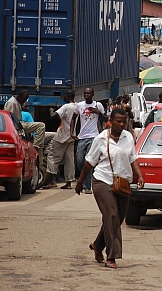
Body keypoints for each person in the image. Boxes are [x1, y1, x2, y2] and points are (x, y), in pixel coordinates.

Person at [76, 108, 144, 269]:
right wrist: (80, 181)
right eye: (118, 121)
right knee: (111, 215)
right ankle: (112, 257)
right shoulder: (100, 139)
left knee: (117, 218)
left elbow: (133, 158)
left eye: (124, 121)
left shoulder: (128, 137)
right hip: (102, 180)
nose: (121, 124)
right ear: (110, 121)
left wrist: (139, 175)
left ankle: (98, 245)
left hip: (123, 183)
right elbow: (89, 162)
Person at [71, 88, 106, 195]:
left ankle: (87, 186)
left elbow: (105, 119)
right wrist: (71, 132)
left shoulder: (98, 105)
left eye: (89, 93)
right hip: (82, 137)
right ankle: (87, 179)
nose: (86, 95)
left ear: (93, 94)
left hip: (94, 137)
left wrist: (98, 112)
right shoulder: (80, 106)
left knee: (88, 161)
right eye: (85, 93)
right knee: (80, 160)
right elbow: (73, 118)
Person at [46, 91, 77, 189]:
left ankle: (52, 181)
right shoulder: (76, 106)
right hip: (71, 136)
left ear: (67, 96)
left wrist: (51, 109)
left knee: (52, 156)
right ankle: (69, 182)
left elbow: (53, 116)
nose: (63, 98)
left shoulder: (66, 107)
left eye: (64, 96)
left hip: (62, 136)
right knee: (69, 160)